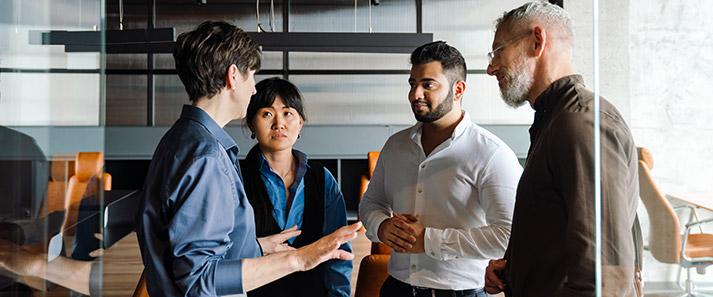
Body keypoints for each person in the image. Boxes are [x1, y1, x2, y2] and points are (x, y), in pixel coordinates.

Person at [135, 21, 360, 297]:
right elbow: (199, 278)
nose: (253, 89)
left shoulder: (183, 138)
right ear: (233, 76)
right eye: (251, 76)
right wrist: (299, 259)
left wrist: (259, 247)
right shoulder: (206, 156)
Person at [483, 2, 640, 297]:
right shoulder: (555, 120)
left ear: (537, 41)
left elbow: (606, 275)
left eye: (498, 52)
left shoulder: (579, 123)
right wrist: (513, 267)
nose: (491, 68)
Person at [358, 41, 522, 297]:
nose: (415, 94)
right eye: (412, 84)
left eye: (428, 84)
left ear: (458, 90)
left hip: (461, 292)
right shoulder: (396, 145)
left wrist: (429, 240)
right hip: (396, 288)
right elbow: (371, 202)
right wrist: (382, 227)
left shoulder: (492, 154)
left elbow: (509, 235)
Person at [241, 77, 352, 297]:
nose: (278, 124)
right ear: (252, 123)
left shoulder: (322, 178)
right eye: (267, 114)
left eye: (287, 113)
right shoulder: (235, 177)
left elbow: (337, 248)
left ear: (300, 122)